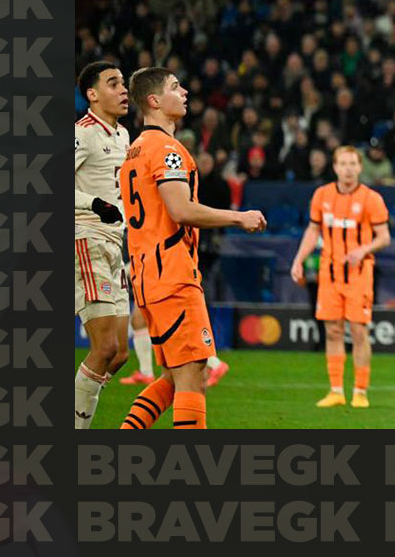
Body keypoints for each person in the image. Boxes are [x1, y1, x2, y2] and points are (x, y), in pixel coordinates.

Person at [117, 68, 266, 429]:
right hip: (171, 272)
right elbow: (181, 210)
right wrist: (238, 217)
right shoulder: (168, 150)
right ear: (154, 101)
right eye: (174, 87)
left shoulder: (134, 150)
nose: (184, 92)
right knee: (193, 375)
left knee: (173, 375)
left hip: (146, 271)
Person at [290, 146, 392, 410]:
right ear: (334, 167)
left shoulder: (372, 199)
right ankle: (336, 390)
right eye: (343, 163)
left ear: (360, 167)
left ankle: (360, 391)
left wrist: (363, 249)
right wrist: (298, 260)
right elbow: (313, 230)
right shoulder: (322, 195)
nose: (348, 168)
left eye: (352, 164)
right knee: (332, 330)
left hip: (359, 274)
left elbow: (384, 237)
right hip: (329, 273)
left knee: (359, 331)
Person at [73, 62, 132, 428]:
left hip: (116, 243)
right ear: (92, 95)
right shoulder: (82, 135)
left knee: (120, 353)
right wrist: (93, 203)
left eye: (124, 83)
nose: (123, 89)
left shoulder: (124, 135)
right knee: (105, 347)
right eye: (113, 84)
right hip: (87, 236)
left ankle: (78, 402)